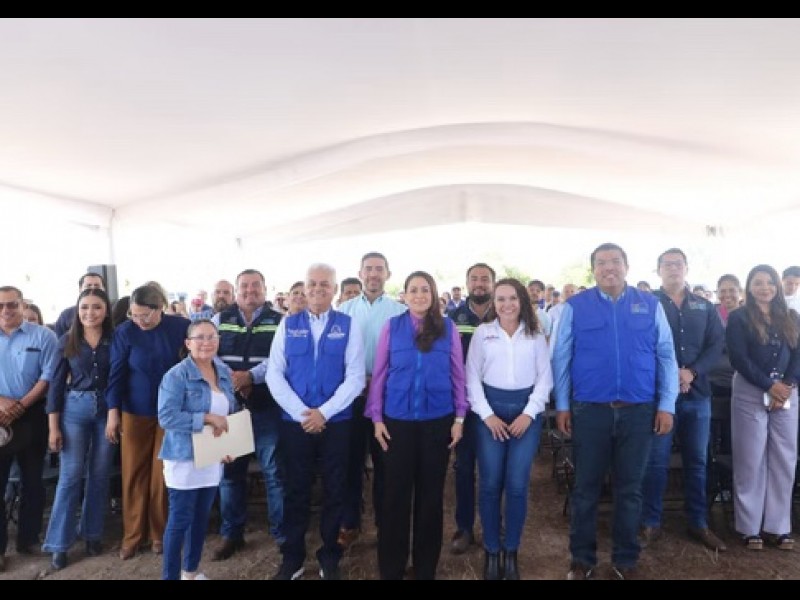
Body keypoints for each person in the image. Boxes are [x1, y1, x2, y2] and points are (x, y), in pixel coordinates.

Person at [552, 242, 678, 581]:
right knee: (585, 488)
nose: (609, 267)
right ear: (593, 269)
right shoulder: (575, 307)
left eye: (615, 261)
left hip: (639, 411)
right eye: (601, 262)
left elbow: (666, 355)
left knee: (630, 489)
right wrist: (562, 404)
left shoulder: (649, 304)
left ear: (627, 266)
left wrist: (666, 405)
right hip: (590, 410)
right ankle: (582, 560)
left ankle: (625, 560)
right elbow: (561, 357)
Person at [366, 270, 466, 580]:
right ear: (405, 295)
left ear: (433, 295)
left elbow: (458, 374)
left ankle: (425, 569)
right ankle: (392, 569)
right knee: (395, 498)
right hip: (397, 422)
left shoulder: (448, 327)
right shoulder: (392, 326)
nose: (420, 295)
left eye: (425, 289)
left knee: (430, 498)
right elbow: (380, 374)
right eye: (414, 290)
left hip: (438, 422)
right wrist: (377, 417)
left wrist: (459, 417)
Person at [266, 263, 364, 580]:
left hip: (337, 422)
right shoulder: (288, 325)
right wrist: (302, 414)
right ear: (304, 288)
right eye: (312, 283)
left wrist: (325, 412)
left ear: (334, 290)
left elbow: (355, 377)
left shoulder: (348, 325)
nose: (318, 289)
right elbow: (274, 374)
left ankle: (329, 556)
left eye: (324, 284)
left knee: (336, 489)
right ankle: (293, 557)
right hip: (295, 423)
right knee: (296, 488)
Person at [639, 248, 726, 552]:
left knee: (697, 461)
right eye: (667, 264)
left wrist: (692, 372)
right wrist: (671, 375)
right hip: (660, 397)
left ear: (686, 268)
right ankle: (651, 522)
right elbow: (640, 345)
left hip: (698, 396)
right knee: (656, 461)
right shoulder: (647, 304)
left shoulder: (704, 306)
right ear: (658, 270)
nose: (673, 268)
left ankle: (698, 522)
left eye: (678, 264)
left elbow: (716, 345)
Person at [466, 277, 552, 580]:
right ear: (494, 303)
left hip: (525, 415)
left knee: (516, 484)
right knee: (490, 483)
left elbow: (545, 380)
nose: (507, 304)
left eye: (512, 298)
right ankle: (492, 550)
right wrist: (487, 415)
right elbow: (471, 377)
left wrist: (528, 414)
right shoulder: (483, 333)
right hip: (489, 415)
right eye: (500, 299)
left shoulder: (535, 335)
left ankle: (511, 549)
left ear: (522, 301)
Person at [105, 284, 190, 560]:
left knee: (162, 474)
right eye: (134, 315)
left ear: (160, 308)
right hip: (134, 409)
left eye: (145, 315)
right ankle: (132, 535)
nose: (139, 321)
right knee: (133, 473)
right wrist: (113, 411)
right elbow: (116, 373)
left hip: (170, 411)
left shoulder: (180, 327)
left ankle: (159, 534)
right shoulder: (124, 332)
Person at [211, 269, 285, 559]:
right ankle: (232, 534)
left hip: (267, 407)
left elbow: (279, 359)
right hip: (231, 409)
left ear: (265, 289)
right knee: (230, 474)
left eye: (256, 285)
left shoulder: (279, 321)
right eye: (244, 285)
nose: (250, 290)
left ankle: (281, 535)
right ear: (236, 289)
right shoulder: (220, 320)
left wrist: (251, 376)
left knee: (274, 473)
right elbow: (209, 354)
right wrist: (233, 378)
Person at [41, 288, 117, 571]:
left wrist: (115, 414)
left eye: (96, 307)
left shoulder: (115, 339)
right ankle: (59, 544)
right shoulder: (67, 340)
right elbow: (55, 386)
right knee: (70, 476)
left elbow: (118, 378)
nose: (90, 313)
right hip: (74, 409)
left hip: (107, 411)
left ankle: (92, 534)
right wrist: (53, 427)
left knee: (99, 475)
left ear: (106, 311)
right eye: (84, 307)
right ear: (77, 310)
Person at [726, 264, 800, 551]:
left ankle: (778, 527)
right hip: (750, 389)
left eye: (769, 282)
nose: (764, 287)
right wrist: (768, 385)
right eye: (758, 282)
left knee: (784, 458)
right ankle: (749, 527)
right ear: (749, 286)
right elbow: (738, 358)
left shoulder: (791, 316)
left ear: (777, 286)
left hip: (786, 393)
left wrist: (787, 385)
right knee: (750, 458)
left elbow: (798, 355)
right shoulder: (738, 317)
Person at [157, 319, 238, 580]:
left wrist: (229, 446)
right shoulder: (176, 375)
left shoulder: (223, 372)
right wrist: (205, 418)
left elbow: (229, 414)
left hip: (212, 457)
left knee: (201, 519)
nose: (206, 342)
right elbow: (167, 417)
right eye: (200, 337)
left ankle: (190, 574)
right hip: (183, 457)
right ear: (188, 343)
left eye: (212, 337)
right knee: (180, 520)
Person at [336, 252, 407, 547]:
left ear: (388, 274)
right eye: (369, 269)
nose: (374, 274)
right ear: (360, 273)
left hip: (388, 398)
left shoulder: (400, 312)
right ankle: (350, 523)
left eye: (379, 269)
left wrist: (378, 381)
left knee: (386, 463)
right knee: (350, 462)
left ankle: (384, 523)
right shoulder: (343, 311)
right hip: (351, 398)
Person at [0, 286, 59, 573]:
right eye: (0, 305)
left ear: (23, 305)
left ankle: (29, 539)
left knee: (33, 482)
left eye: (12, 304)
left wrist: (21, 405)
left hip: (33, 414)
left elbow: (48, 376)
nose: (5, 310)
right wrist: (2, 403)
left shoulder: (44, 336)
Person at [446, 262, 495, 555]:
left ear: (493, 283)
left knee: (494, 469)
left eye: (485, 279)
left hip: (497, 405)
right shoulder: (452, 318)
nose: (479, 283)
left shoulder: (505, 312)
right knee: (464, 467)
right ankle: (464, 527)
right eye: (474, 278)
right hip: (464, 406)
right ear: (466, 284)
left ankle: (493, 525)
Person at [54, 272, 107, 337]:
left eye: (97, 286)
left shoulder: (113, 311)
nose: (93, 289)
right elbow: (58, 338)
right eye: (88, 286)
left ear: (104, 289)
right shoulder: (66, 315)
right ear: (80, 289)